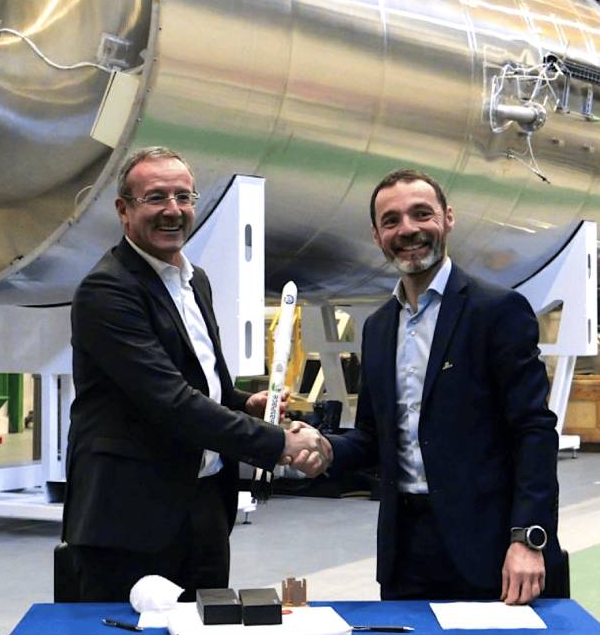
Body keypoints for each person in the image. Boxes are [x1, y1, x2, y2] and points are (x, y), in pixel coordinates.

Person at [58, 146, 331, 602]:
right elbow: (170, 401)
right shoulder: (107, 290)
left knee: (206, 627)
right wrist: (278, 444)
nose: (173, 210)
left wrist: (245, 403)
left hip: (204, 509)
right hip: (130, 521)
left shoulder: (193, 280)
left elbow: (200, 382)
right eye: (156, 197)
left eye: (183, 197)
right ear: (124, 210)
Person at [303, 168, 561, 605]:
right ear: (377, 236)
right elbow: (372, 436)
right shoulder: (379, 327)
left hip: (490, 547)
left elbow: (533, 430)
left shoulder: (497, 311)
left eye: (421, 214)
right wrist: (325, 448)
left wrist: (528, 537)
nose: (408, 230)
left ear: (448, 218)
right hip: (405, 552)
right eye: (391, 221)